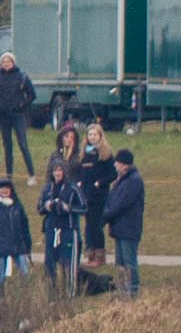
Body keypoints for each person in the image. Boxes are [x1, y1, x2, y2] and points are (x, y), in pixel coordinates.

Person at [37, 160, 82, 295]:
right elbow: (39, 209)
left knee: (67, 263)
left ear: (64, 172)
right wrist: (47, 206)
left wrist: (69, 208)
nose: (57, 173)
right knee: (50, 262)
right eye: (55, 170)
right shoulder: (47, 188)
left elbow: (84, 207)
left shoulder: (73, 188)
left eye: (60, 170)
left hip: (68, 229)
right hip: (51, 229)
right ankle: (52, 292)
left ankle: (70, 293)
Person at [102, 149, 143, 297]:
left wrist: (106, 216)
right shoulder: (121, 180)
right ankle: (121, 290)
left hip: (129, 229)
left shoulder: (134, 181)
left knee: (129, 262)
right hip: (120, 228)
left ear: (125, 165)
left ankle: (132, 291)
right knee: (120, 263)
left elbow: (122, 203)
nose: (115, 165)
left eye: (117, 162)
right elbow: (112, 199)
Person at [77, 122, 115, 267]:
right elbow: (82, 172)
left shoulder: (106, 153)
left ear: (100, 136)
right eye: (90, 134)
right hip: (87, 195)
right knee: (89, 225)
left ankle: (100, 256)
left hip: (99, 195)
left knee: (97, 225)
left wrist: (100, 182)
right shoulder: (85, 153)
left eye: (95, 134)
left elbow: (113, 174)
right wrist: (80, 181)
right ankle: (90, 253)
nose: (92, 137)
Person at [0, 50, 34, 177]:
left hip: (17, 116)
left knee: (23, 144)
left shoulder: (21, 76)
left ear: (13, 62)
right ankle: (9, 175)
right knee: (7, 146)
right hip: (3, 117)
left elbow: (32, 94)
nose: (6, 63)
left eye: (8, 61)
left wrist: (21, 105)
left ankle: (31, 175)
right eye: (3, 61)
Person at [0, 176, 31, 297]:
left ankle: (24, 297)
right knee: (1, 277)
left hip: (18, 245)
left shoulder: (18, 205)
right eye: (2, 188)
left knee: (25, 273)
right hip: (1, 247)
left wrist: (28, 246)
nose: (4, 191)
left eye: (6, 188)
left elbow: (25, 226)